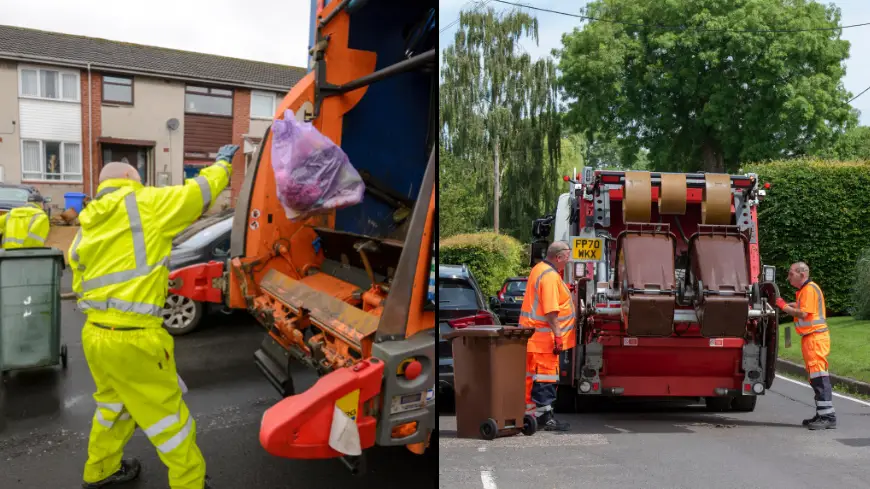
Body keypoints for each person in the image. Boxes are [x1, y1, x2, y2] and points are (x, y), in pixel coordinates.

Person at [69, 144, 238, 488]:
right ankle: (189, 482)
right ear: (132, 178)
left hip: (96, 334)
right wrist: (222, 163)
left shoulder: (86, 224)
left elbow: (92, 275)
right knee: (168, 418)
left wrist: (152, 282)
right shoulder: (145, 203)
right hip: (135, 337)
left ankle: (100, 470)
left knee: (112, 407)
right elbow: (199, 192)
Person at [520, 240, 576, 431]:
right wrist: (558, 336)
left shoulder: (540, 269)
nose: (568, 261)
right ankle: (544, 417)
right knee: (545, 379)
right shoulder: (550, 276)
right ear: (559, 257)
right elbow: (551, 312)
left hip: (535, 338)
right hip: (544, 340)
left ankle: (530, 415)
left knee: (533, 378)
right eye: (567, 257)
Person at [775, 261, 836, 430]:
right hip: (812, 338)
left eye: (791, 274)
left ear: (802, 274)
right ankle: (823, 413)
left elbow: (803, 313)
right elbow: (803, 308)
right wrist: (789, 304)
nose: (788, 277)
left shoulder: (809, 289)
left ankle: (828, 417)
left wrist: (783, 306)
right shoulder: (806, 290)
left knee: (819, 377)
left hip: (815, 338)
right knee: (815, 377)